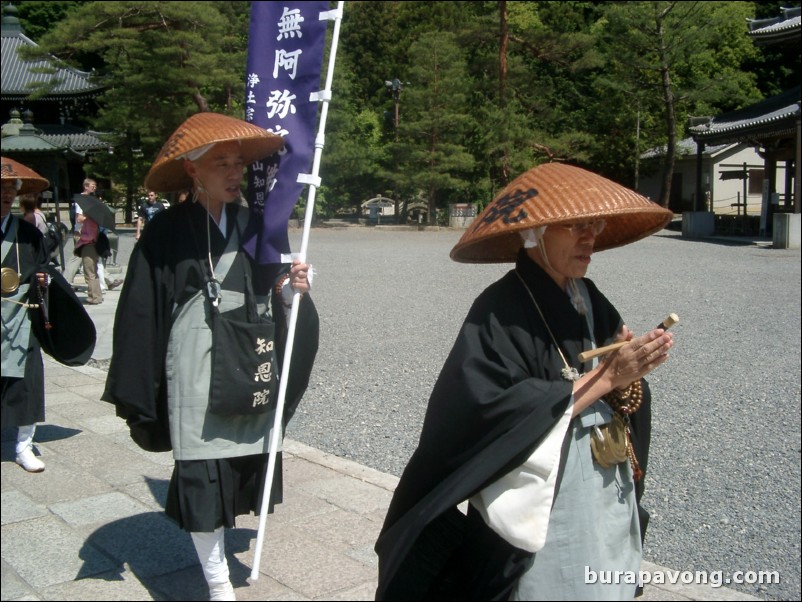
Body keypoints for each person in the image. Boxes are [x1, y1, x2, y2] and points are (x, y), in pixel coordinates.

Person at [374, 162, 676, 601]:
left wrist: (631, 376)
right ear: (535, 234)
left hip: (602, 481)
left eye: (594, 224)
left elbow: (618, 385)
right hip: (546, 494)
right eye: (575, 226)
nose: (590, 236)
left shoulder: (589, 297)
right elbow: (481, 409)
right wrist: (607, 376)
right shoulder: (498, 309)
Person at [102, 112, 319, 602]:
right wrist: (143, 381)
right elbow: (141, 310)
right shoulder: (165, 232)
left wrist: (292, 290)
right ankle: (218, 580)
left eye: (237, 162)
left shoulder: (256, 225)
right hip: (196, 366)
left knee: (240, 458)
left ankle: (220, 562)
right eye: (220, 162)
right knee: (202, 469)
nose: (233, 171)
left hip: (245, 358)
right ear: (192, 170)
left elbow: (274, 290)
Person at [2, 156, 96, 473]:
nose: (4, 196)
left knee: (25, 384)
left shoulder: (27, 234)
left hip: (18, 319)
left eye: (8, 190)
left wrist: (44, 280)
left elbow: (42, 268)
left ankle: (23, 445)